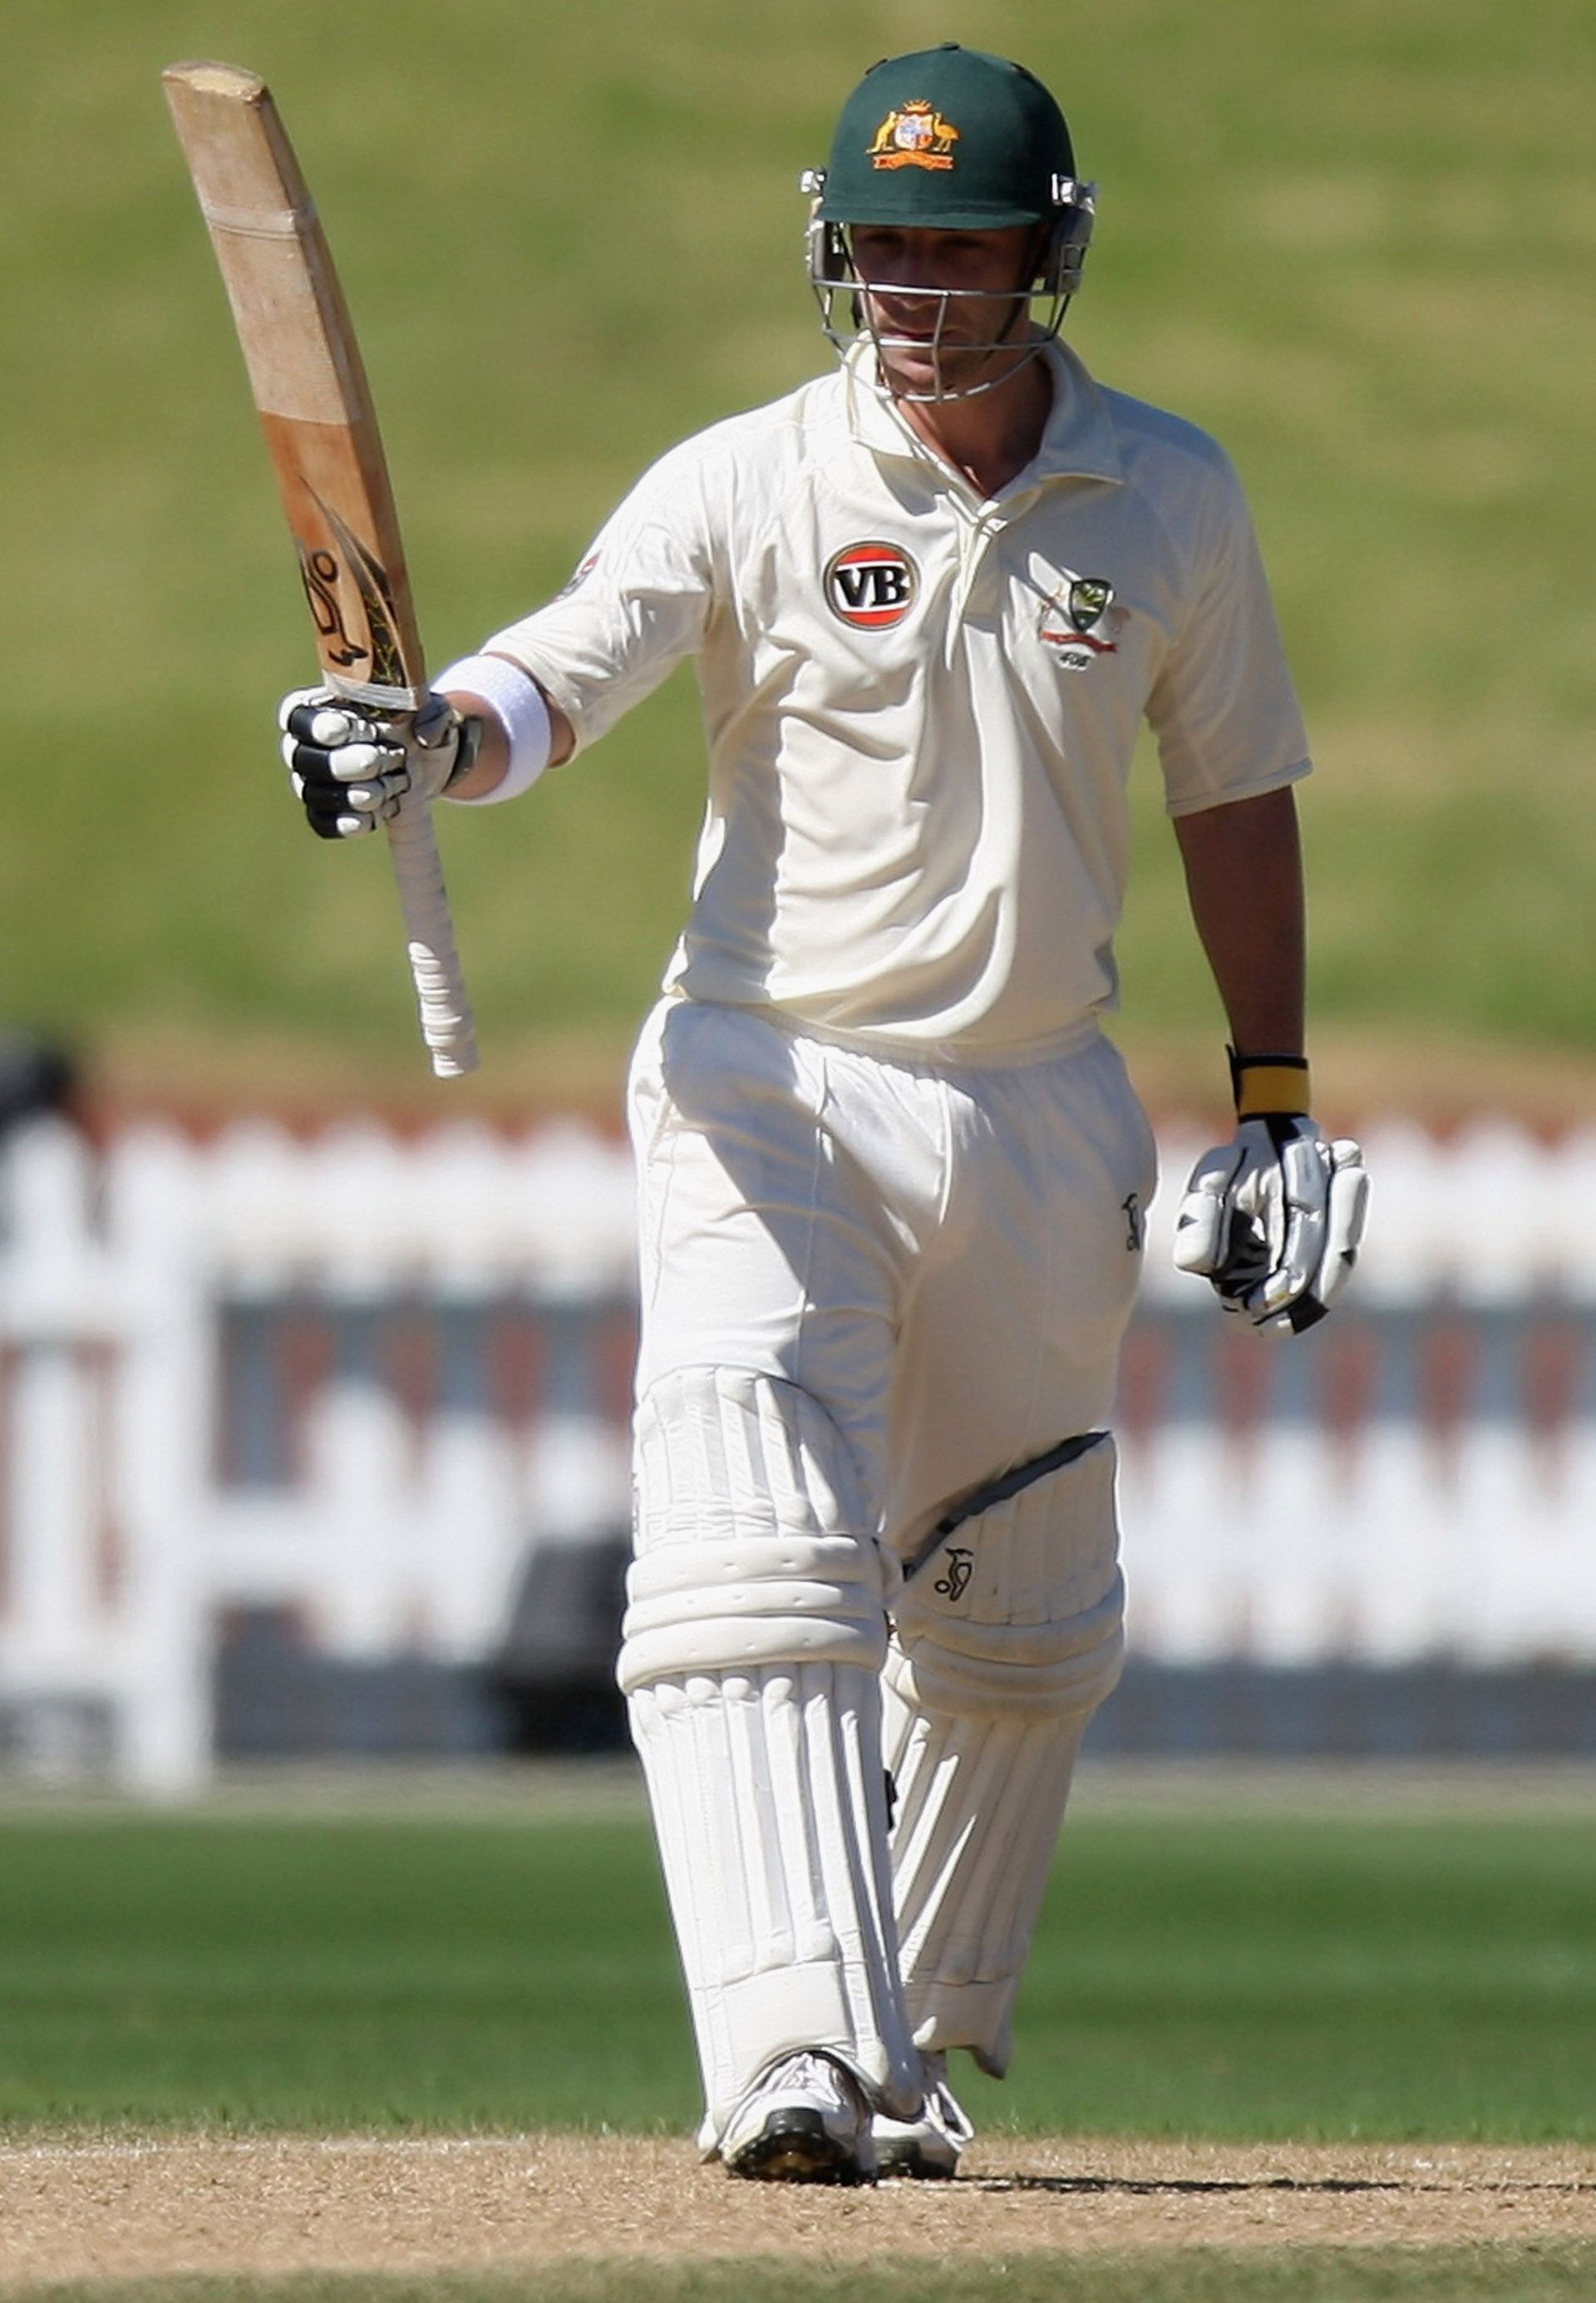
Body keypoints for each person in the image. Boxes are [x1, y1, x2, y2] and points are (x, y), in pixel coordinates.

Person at [279, 45, 1367, 2183]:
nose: (913, 287)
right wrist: (437, 736)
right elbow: (568, 666)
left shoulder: (1169, 493)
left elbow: (1234, 791)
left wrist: (1275, 1101)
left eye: (956, 245)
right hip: (767, 1077)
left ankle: (923, 2040)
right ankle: (788, 2047)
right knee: (746, 1550)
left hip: (1042, 1096)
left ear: (1047, 255)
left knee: (1023, 1616)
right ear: (829, 246)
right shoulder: (749, 477)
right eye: (881, 243)